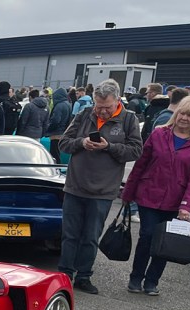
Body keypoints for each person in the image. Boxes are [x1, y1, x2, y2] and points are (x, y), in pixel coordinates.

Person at [57, 79, 143, 294]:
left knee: (90, 236)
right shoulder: (85, 114)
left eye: (107, 107)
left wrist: (109, 147)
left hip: (103, 191)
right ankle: (65, 274)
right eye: (99, 106)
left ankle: (84, 276)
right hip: (75, 186)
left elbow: (135, 151)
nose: (102, 111)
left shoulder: (128, 119)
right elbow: (64, 142)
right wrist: (81, 143)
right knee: (69, 235)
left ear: (117, 101)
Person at [120, 95, 190, 295]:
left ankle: (152, 281)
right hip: (148, 195)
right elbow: (140, 165)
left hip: (174, 201)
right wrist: (128, 192)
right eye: (182, 114)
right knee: (148, 236)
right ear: (176, 114)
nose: (184, 118)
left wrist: (186, 206)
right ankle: (136, 277)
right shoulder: (159, 134)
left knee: (165, 241)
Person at [47, 87, 72, 162]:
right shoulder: (68, 104)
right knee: (57, 153)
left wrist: (49, 128)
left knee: (54, 154)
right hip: (62, 132)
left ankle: (55, 169)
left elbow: (55, 120)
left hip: (56, 133)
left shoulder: (59, 105)